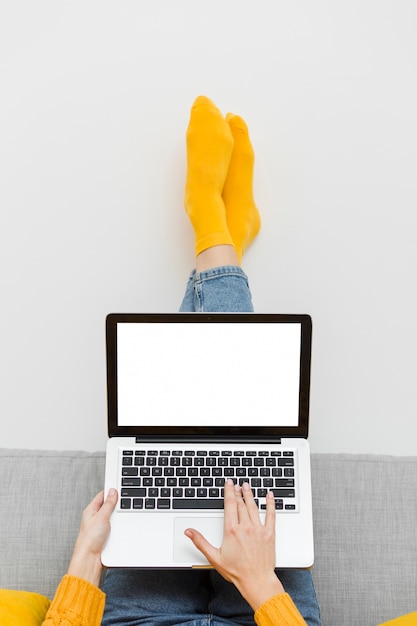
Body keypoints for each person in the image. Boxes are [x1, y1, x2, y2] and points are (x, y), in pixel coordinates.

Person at [43, 95, 322, 626]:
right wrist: (262, 585)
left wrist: (87, 555)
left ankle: (217, 235)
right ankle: (217, 235)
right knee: (248, 421)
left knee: (166, 431)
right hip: (261, 613)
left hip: (138, 620)